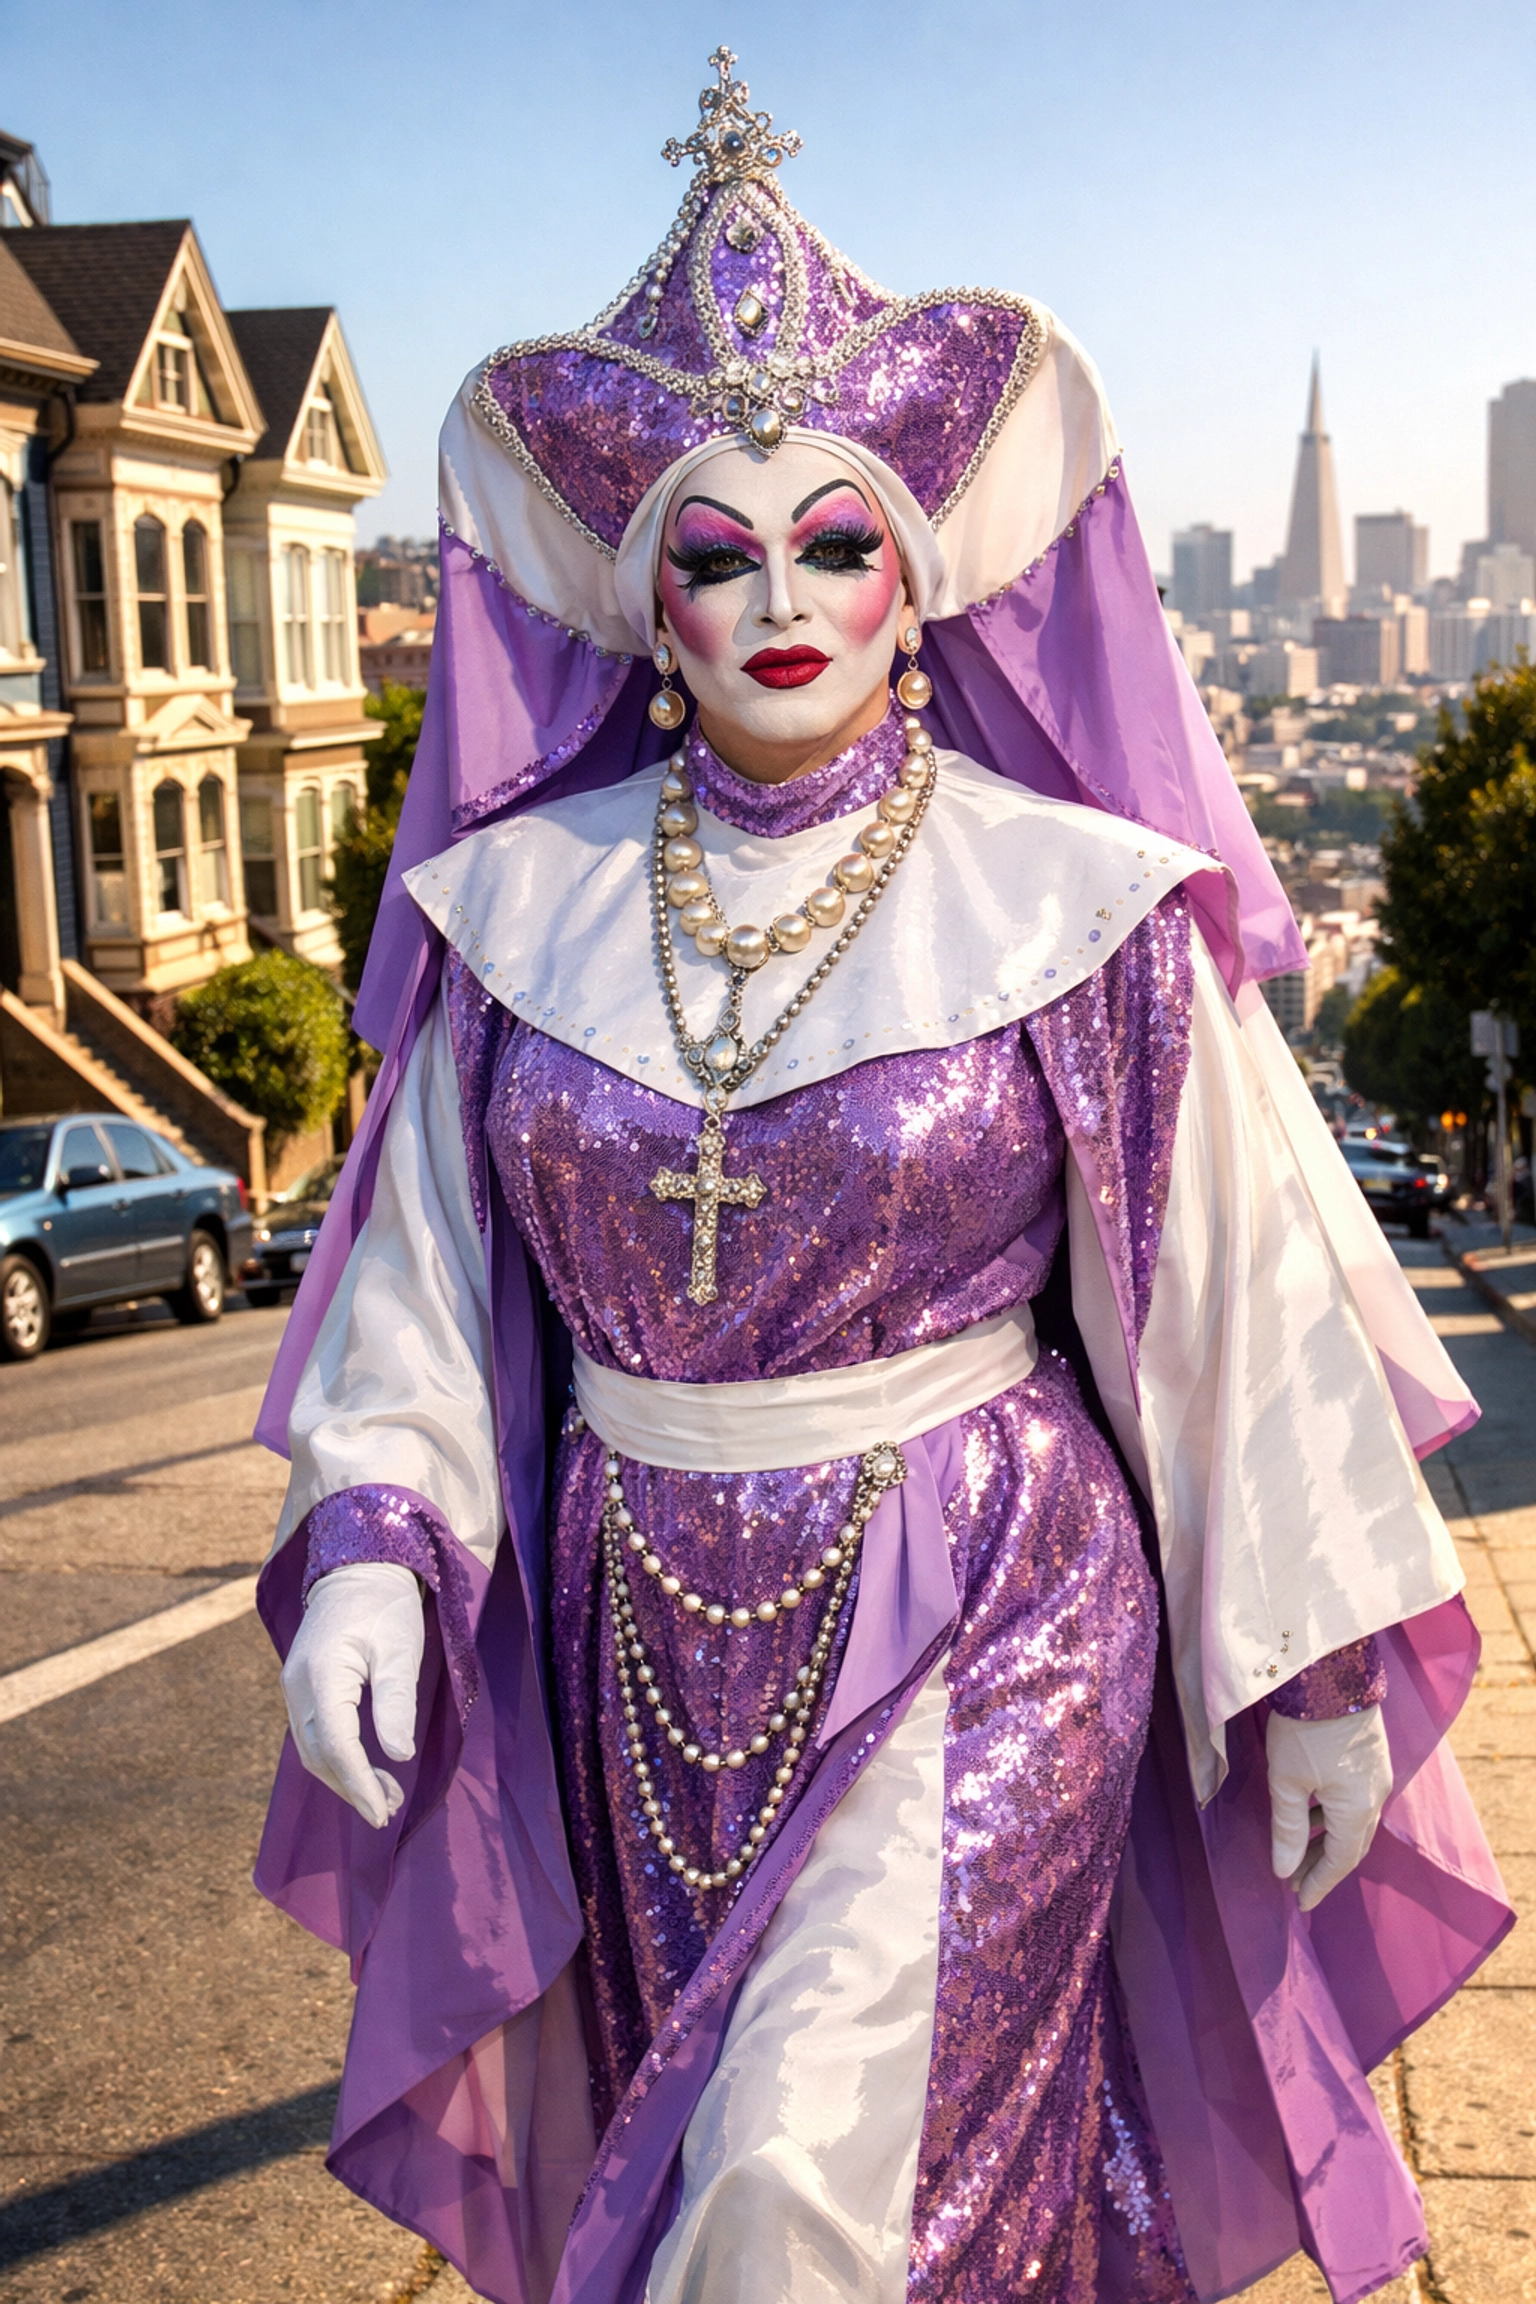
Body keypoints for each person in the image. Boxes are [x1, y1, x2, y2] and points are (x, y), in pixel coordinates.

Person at [253, 52, 1510, 2304]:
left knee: (796, 2196)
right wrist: (374, 1538)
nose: (782, 601)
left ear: (922, 574)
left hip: (1000, 1601)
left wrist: (1312, 1658)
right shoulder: (507, 919)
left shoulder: (1078, 904)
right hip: (638, 1626)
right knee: (753, 2163)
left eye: (839, 541)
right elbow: (424, 1288)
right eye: (718, 558)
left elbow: (1229, 1294)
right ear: (647, 606)